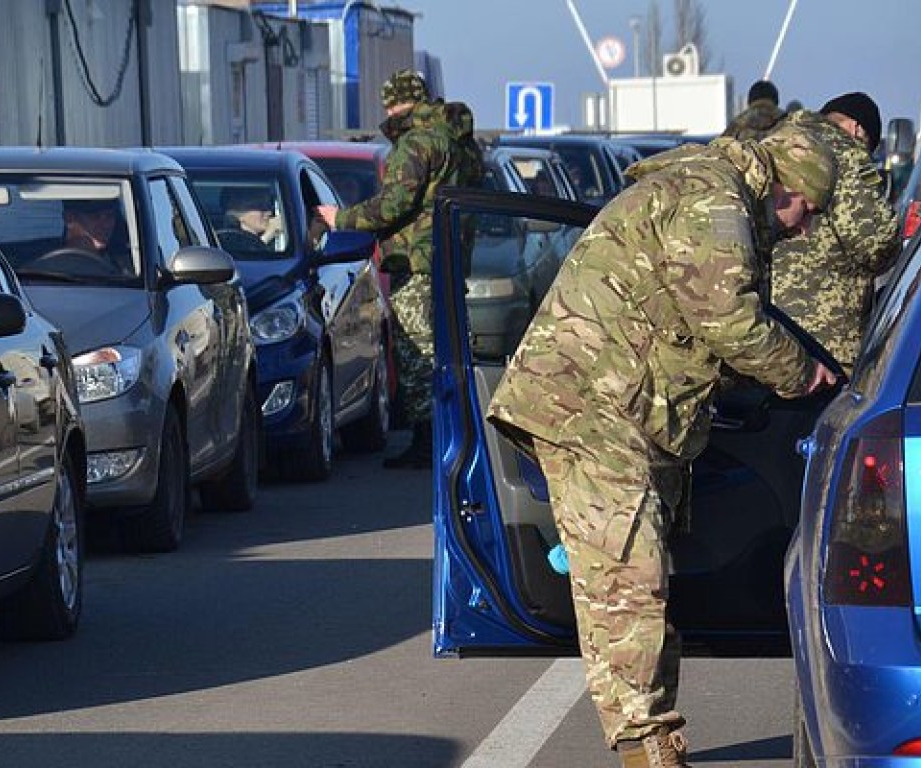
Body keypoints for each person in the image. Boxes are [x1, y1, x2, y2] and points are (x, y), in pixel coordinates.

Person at [486, 124, 839, 768]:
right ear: (782, 187)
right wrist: (801, 374)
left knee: (634, 574)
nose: (805, 228)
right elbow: (728, 320)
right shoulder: (715, 200)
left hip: (621, 409)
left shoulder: (717, 192)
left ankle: (650, 734)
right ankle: (647, 747)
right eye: (806, 211)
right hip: (589, 407)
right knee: (629, 579)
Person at [316, 69, 484, 469]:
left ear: (393, 103)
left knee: (415, 352)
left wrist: (340, 218)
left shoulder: (415, 144)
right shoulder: (458, 141)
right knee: (446, 349)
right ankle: (452, 434)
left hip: (417, 261)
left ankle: (429, 442)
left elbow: (393, 206)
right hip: (450, 257)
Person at [771, 92, 900, 373]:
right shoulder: (848, 154)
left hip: (765, 331)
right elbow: (876, 243)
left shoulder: (776, 141)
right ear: (857, 129)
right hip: (824, 338)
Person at [61, 198, 133, 274]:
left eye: (110, 216)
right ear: (69, 218)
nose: (106, 225)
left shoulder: (129, 265)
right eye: (95, 217)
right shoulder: (50, 270)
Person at [218, 186, 284, 254]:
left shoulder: (277, 241)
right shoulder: (227, 239)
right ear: (236, 213)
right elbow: (243, 259)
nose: (269, 212)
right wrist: (269, 234)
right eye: (260, 207)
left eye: (269, 206)